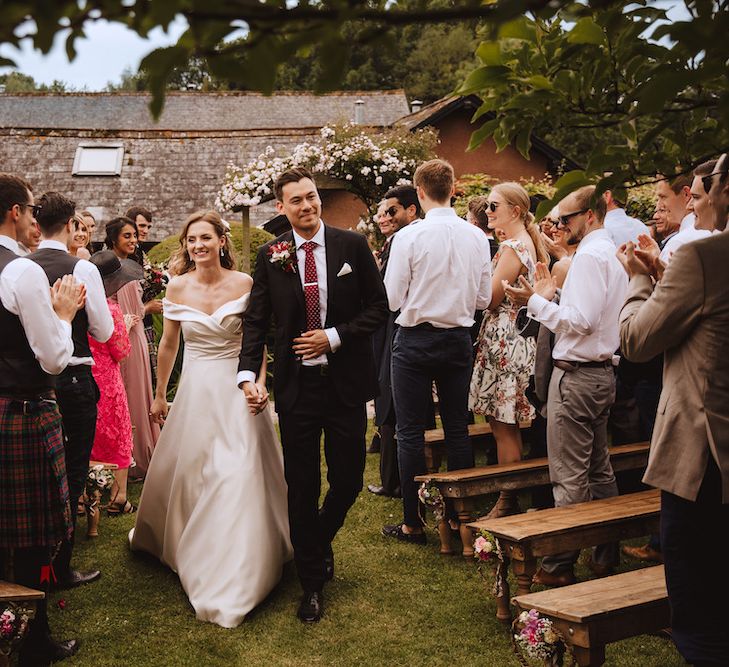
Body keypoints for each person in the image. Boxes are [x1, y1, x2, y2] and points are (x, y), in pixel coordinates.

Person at [238, 167, 388, 623]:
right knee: (301, 487)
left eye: (310, 197)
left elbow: (379, 309)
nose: (306, 206)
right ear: (281, 208)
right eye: (296, 200)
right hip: (296, 389)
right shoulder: (271, 255)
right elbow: (256, 321)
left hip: (344, 387)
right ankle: (311, 583)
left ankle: (317, 541)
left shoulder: (352, 246)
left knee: (347, 480)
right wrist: (249, 375)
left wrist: (334, 337)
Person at [130, 211, 292, 628]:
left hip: (238, 390)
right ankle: (183, 543)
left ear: (222, 241)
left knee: (236, 471)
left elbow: (255, 343)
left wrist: (258, 384)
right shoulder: (177, 287)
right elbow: (168, 345)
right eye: (191, 240)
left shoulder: (245, 284)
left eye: (205, 238)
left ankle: (236, 567)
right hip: (197, 390)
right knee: (195, 471)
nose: (197, 245)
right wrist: (160, 394)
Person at [618, 160, 729, 666]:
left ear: (725, 193)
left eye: (702, 193)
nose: (695, 203)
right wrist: (666, 275)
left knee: (698, 610)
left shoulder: (706, 256)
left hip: (704, 457)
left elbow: (637, 341)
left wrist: (641, 282)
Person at [505, 184, 628, 587]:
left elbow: (581, 321)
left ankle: (558, 566)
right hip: (601, 373)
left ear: (589, 215)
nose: (559, 225)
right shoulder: (606, 251)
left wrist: (536, 303)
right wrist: (551, 292)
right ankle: (607, 553)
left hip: (577, 377)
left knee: (569, 477)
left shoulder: (591, 256)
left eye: (565, 219)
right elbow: (587, 311)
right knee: (598, 469)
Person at [382, 159, 492, 545]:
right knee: (457, 427)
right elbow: (482, 299)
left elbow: (393, 297)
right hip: (458, 338)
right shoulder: (477, 237)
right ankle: (463, 516)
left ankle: (413, 522)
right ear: (454, 188)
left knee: (410, 432)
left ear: (419, 192)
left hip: (414, 340)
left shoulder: (408, 238)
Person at [0, 173, 84, 664]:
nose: (35, 220)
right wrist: (65, 314)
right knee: (30, 536)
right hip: (25, 411)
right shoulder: (23, 272)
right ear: (16, 211)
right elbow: (53, 357)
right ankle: (33, 642)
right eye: (31, 211)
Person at [31, 192, 115, 590]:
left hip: (32, 385)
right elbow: (103, 330)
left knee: (37, 473)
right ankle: (60, 568)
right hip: (75, 378)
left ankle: (33, 561)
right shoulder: (82, 270)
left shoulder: (17, 267)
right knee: (74, 468)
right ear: (70, 225)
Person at [469, 182, 547, 518]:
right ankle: (509, 495)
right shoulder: (523, 242)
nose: (487, 211)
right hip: (511, 337)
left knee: (504, 423)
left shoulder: (513, 247)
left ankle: (508, 499)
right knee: (503, 422)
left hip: (507, 341)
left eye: (493, 205)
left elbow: (490, 298)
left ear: (515, 211)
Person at [368, 185, 420, 498]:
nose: (385, 217)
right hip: (394, 329)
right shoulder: (398, 240)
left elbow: (390, 296)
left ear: (411, 209)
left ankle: (395, 483)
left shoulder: (405, 239)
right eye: (384, 212)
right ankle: (396, 480)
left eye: (391, 211)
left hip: (395, 329)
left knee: (391, 402)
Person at [88, 250, 143, 515]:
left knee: (89, 435)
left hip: (83, 377)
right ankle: (119, 497)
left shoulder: (79, 304)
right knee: (119, 433)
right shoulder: (110, 309)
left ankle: (84, 497)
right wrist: (127, 325)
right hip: (107, 380)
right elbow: (120, 350)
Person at [105, 216, 160, 477]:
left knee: (135, 393)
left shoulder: (118, 265)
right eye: (127, 236)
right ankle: (137, 456)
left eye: (134, 235)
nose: (133, 240)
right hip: (128, 335)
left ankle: (135, 454)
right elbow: (132, 312)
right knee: (133, 395)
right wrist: (149, 307)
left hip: (129, 335)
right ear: (114, 238)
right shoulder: (121, 270)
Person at [125, 206, 163, 384]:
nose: (145, 230)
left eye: (148, 226)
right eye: (141, 225)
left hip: (145, 322)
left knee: (148, 375)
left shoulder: (140, 252)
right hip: (130, 324)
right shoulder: (124, 257)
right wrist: (147, 308)